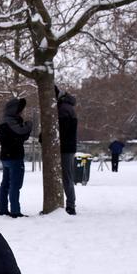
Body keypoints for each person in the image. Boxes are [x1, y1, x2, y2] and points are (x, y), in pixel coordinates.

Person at [0, 97, 32, 217]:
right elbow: (21, 133)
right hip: (14, 157)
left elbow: (20, 136)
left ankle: (2, 209)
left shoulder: (3, 122)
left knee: (5, 184)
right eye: (19, 110)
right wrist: (29, 125)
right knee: (15, 185)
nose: (21, 112)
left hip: (5, 157)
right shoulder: (11, 123)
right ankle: (15, 211)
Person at [56, 87, 78, 215]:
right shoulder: (67, 107)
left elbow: (62, 130)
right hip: (68, 147)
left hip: (65, 147)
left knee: (67, 176)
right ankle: (70, 203)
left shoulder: (63, 109)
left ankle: (71, 205)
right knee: (67, 176)